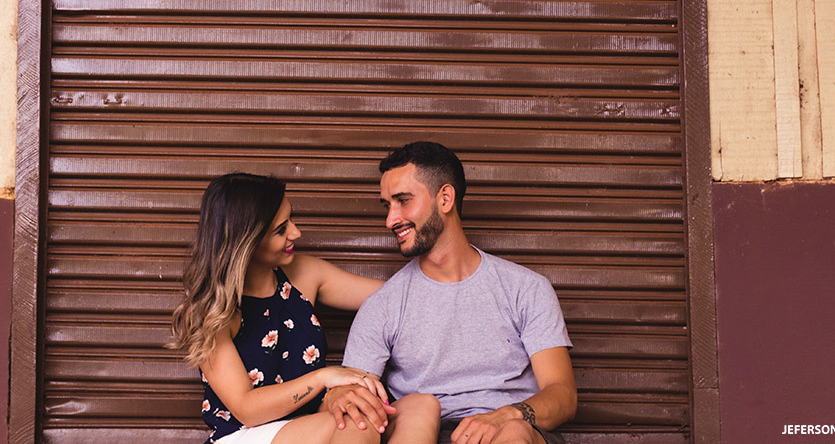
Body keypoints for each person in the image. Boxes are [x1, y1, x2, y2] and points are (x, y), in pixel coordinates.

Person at [326, 143, 578, 444]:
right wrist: (337, 396)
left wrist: (507, 415)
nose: (391, 219)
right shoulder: (383, 306)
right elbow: (348, 392)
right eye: (387, 205)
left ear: (445, 198)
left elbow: (563, 395)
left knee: (514, 434)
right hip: (430, 434)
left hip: (516, 428)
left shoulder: (526, 288)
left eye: (403, 201)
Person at [170, 172, 442, 444]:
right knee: (357, 425)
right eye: (281, 229)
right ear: (246, 242)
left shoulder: (303, 274)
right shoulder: (211, 310)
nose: (296, 232)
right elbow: (247, 409)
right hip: (243, 435)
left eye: (291, 219)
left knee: (421, 406)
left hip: (310, 427)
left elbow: (396, 298)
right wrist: (324, 378)